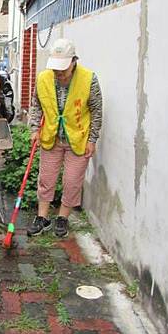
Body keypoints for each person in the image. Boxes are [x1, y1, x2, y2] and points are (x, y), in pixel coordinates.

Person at [27, 38, 103, 238]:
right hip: (51, 137)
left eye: (63, 69)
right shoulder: (43, 78)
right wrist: (34, 128)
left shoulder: (89, 79)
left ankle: (63, 217)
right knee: (46, 179)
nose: (59, 73)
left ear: (74, 61)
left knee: (71, 182)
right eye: (56, 69)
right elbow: (36, 105)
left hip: (78, 139)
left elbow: (96, 110)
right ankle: (42, 217)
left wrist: (92, 140)